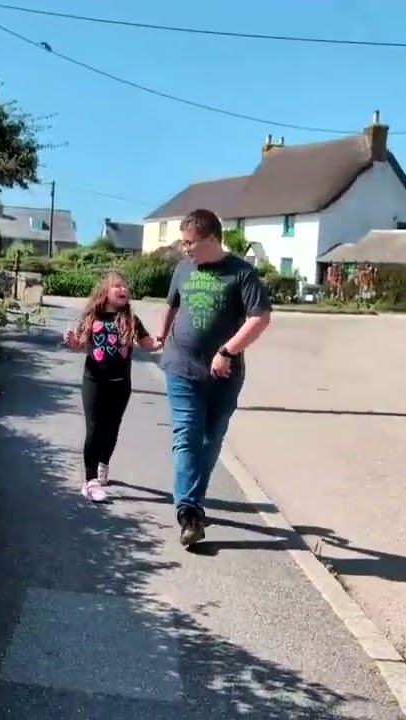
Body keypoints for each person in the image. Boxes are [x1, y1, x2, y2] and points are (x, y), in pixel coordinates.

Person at [155, 209, 272, 547]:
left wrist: (228, 351)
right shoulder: (182, 269)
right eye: (183, 243)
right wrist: (162, 338)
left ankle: (194, 499)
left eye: (190, 243)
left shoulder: (241, 273)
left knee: (210, 439)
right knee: (187, 437)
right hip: (181, 367)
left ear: (210, 239)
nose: (185, 249)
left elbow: (259, 318)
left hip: (225, 375)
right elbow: (172, 306)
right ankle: (189, 512)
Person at [62, 270, 162, 502]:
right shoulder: (92, 318)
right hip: (94, 382)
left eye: (125, 287)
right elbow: (79, 345)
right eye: (117, 286)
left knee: (111, 430)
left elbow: (148, 344)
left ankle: (103, 464)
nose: (123, 290)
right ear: (104, 292)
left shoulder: (130, 321)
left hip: (120, 385)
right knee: (94, 430)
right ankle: (90, 481)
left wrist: (163, 338)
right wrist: (72, 342)